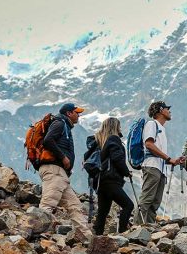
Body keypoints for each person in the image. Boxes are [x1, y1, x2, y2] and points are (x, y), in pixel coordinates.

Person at [39, 103, 93, 242]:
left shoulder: (65, 126)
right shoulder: (59, 124)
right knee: (48, 204)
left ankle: (89, 239)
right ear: (69, 113)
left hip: (60, 174)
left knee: (74, 206)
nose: (79, 115)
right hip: (54, 170)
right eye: (76, 112)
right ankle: (31, 235)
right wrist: (63, 157)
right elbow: (48, 140)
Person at [136, 101, 184, 224]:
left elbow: (156, 151)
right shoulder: (152, 124)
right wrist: (168, 159)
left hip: (160, 168)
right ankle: (136, 227)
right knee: (147, 199)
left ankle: (149, 228)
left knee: (155, 202)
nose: (169, 111)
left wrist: (172, 161)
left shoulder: (161, 128)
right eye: (167, 108)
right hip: (152, 167)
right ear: (161, 110)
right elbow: (149, 144)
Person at [84, 117, 134, 235]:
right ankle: (123, 234)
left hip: (100, 182)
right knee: (128, 205)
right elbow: (117, 158)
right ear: (115, 127)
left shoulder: (101, 141)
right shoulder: (113, 139)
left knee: (103, 212)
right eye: (119, 126)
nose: (120, 128)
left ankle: (97, 237)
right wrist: (127, 172)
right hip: (111, 180)